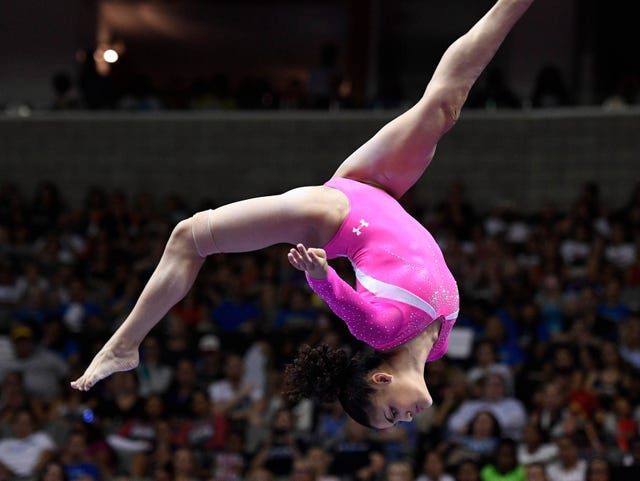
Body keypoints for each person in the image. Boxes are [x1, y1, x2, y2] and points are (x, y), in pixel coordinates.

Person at [71, 0, 536, 429]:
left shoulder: (379, 329)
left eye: (391, 413)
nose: (406, 417)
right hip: (378, 189)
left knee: (188, 236)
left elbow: (345, 303)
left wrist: (319, 275)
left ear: (380, 380)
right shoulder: (436, 348)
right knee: (442, 107)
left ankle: (124, 344)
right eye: (397, 421)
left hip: (333, 217)